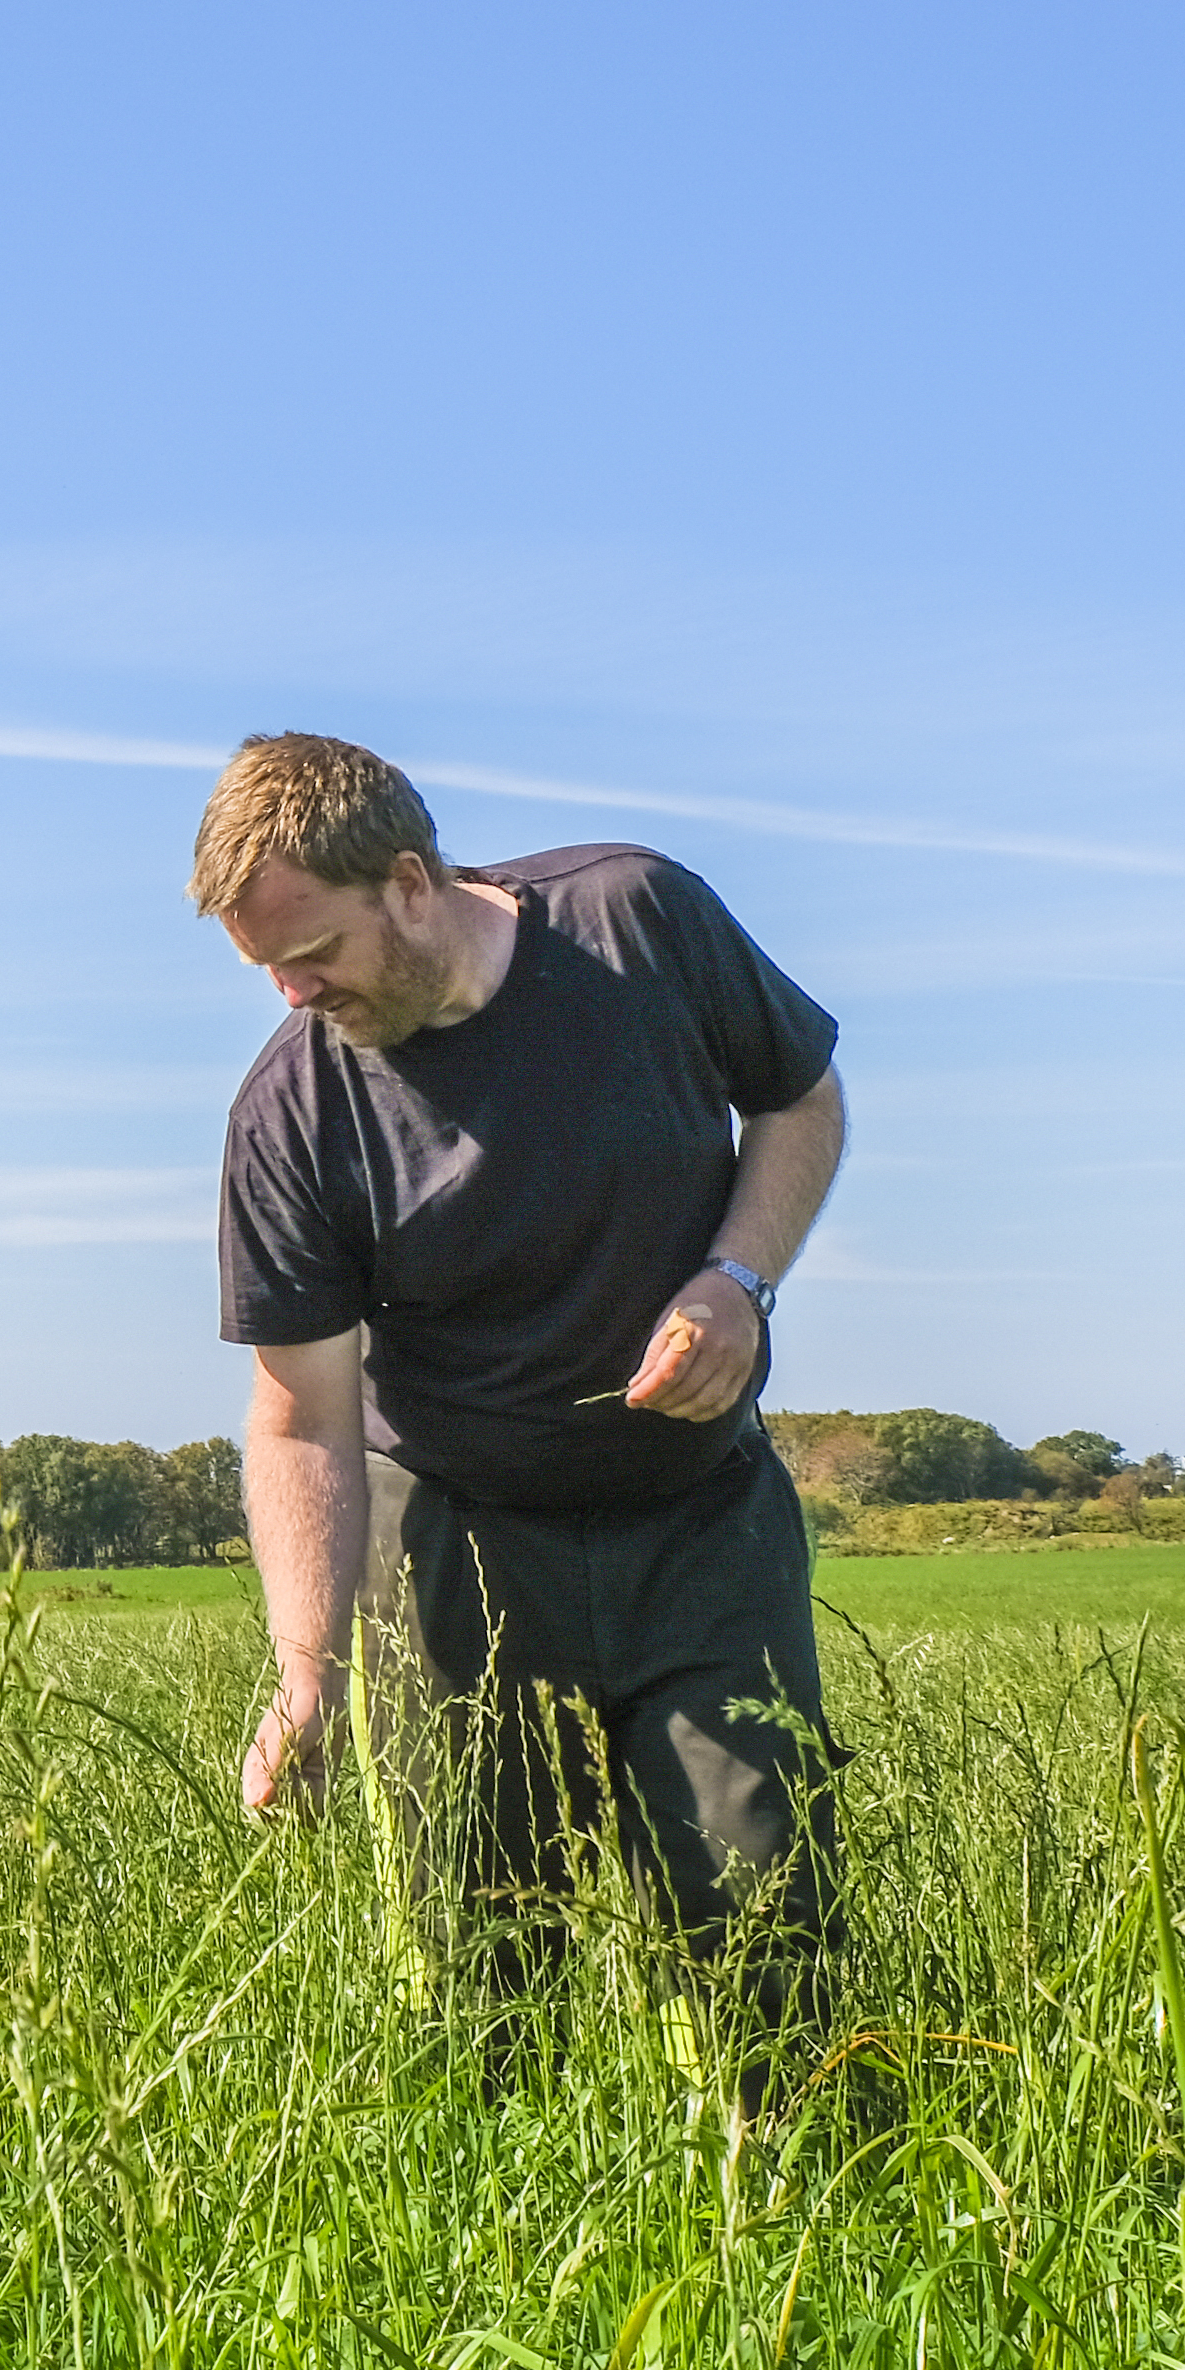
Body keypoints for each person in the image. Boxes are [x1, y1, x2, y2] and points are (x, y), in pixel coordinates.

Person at [201, 729, 848, 2053]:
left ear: (408, 883)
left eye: (310, 954)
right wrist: (306, 1672)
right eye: (265, 970)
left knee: (769, 1929)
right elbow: (301, 1415)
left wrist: (737, 1280)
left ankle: (800, 2220)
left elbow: (802, 1097)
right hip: (455, 1554)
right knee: (478, 1978)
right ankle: (506, 2236)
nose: (290, 994)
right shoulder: (290, 1112)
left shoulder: (638, 922)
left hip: (702, 1523)